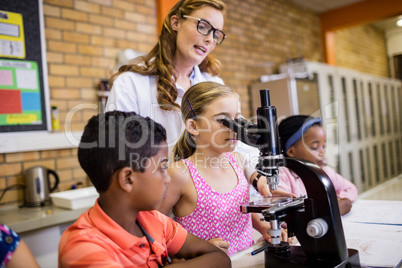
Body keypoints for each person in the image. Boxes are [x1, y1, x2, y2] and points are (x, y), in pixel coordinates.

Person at [58, 111, 231, 267]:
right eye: (162, 168)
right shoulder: (83, 249)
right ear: (127, 179)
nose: (168, 178)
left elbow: (220, 259)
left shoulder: (153, 220)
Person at [158, 82, 289, 256]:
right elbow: (154, 226)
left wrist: (263, 226)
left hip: (246, 259)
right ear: (193, 126)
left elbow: (239, 211)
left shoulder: (238, 162)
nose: (234, 129)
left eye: (238, 120)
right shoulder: (180, 174)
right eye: (223, 120)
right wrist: (193, 247)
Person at [106, 0, 226, 152]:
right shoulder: (131, 84)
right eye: (203, 27)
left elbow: (236, 147)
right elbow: (119, 151)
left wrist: (255, 174)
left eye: (216, 34)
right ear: (176, 22)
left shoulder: (216, 85)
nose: (210, 39)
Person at [277, 115, 358, 216]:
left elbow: (351, 189)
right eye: (314, 147)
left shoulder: (326, 172)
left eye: (323, 146)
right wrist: (328, 208)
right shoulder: (283, 176)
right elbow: (283, 212)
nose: (322, 152)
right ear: (291, 151)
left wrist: (337, 201)